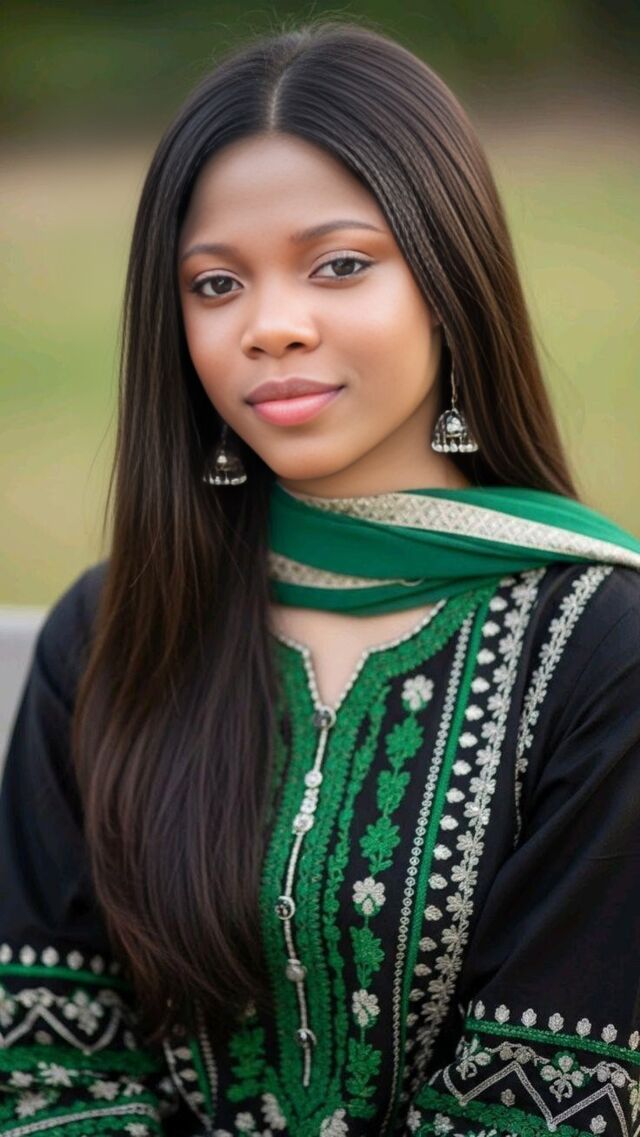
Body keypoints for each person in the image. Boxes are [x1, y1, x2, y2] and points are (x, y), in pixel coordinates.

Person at [1, 18, 639, 1137]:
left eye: (340, 265)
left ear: (447, 277)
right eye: (215, 284)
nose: (272, 327)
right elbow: (45, 1070)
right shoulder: (117, 631)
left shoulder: (599, 650)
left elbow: (552, 1105)